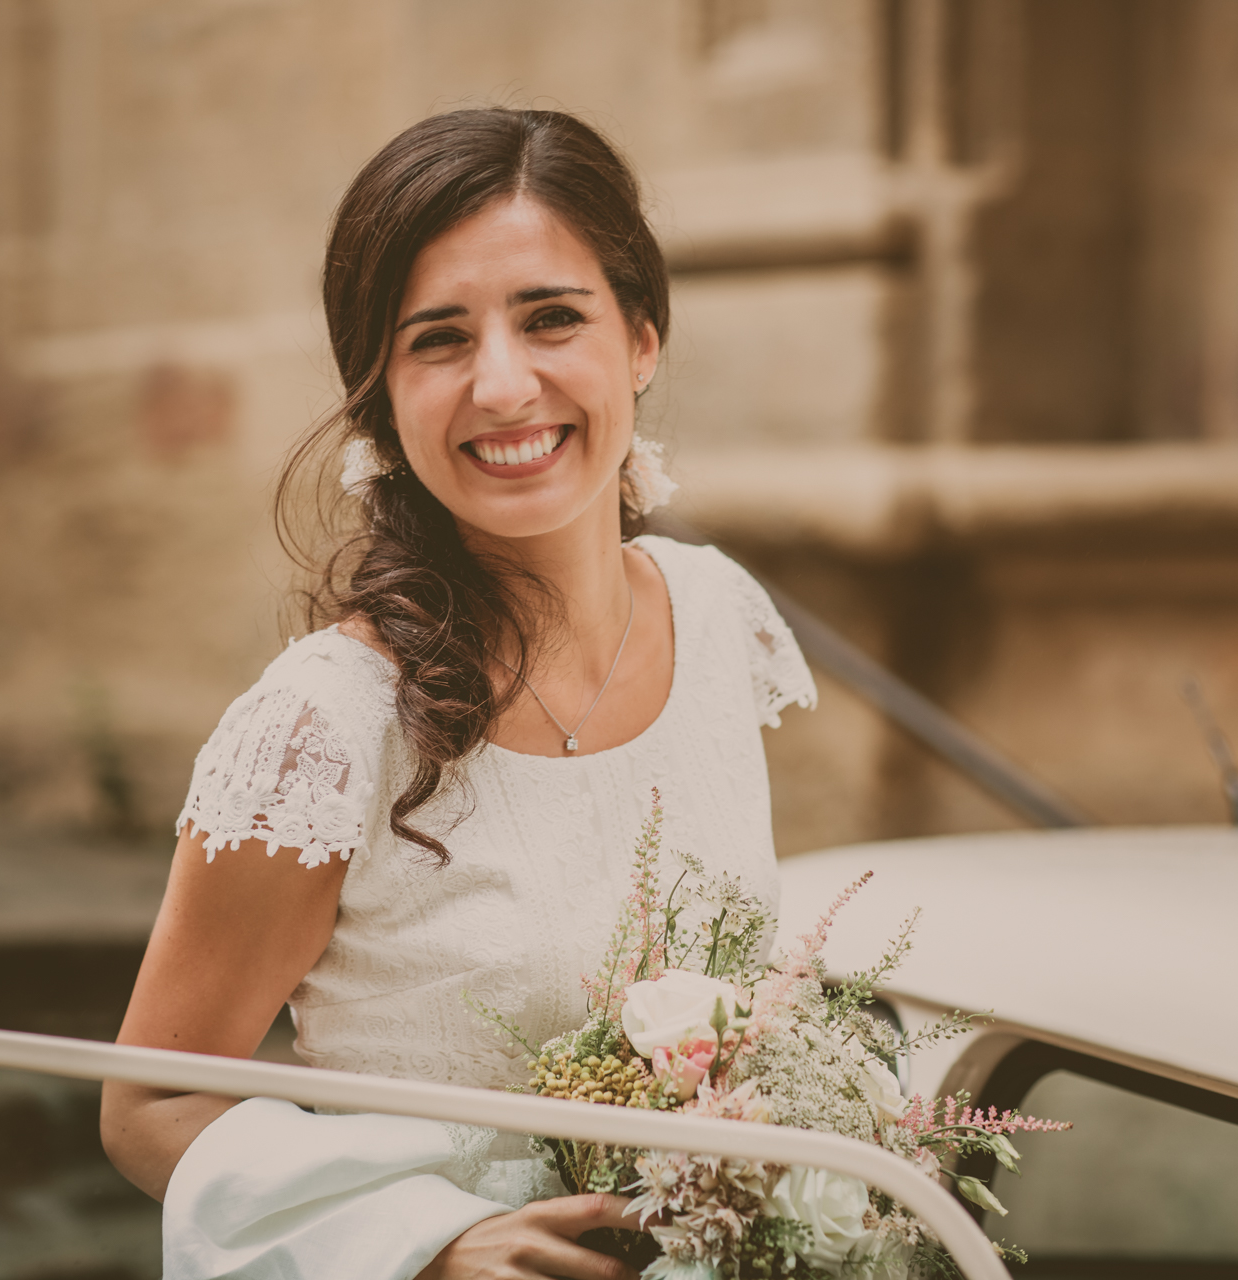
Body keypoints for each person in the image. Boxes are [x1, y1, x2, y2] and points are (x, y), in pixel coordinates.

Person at [100, 107, 816, 1280]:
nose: (502, 383)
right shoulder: (327, 723)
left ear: (641, 339)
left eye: (551, 318)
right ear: (381, 393)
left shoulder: (717, 617)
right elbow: (150, 1104)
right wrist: (421, 1247)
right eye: (439, 339)